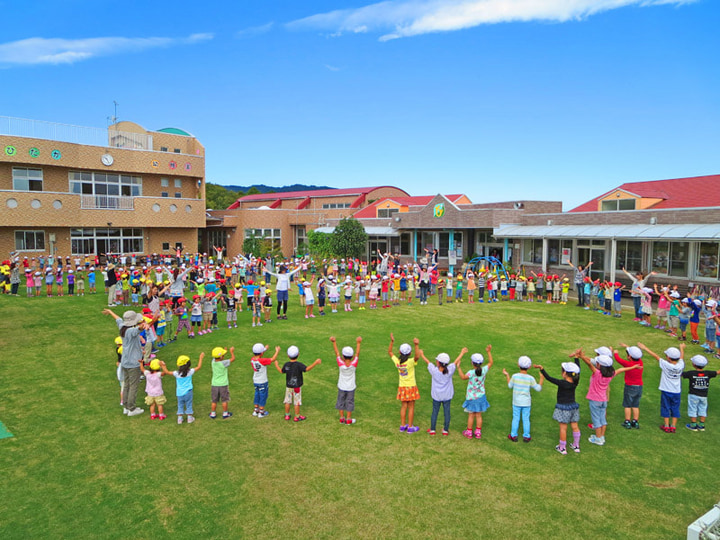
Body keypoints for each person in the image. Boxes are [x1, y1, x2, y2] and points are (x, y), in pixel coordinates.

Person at [578, 350, 640, 446]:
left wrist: (582, 356)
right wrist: (634, 367)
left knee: (596, 420)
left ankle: (598, 439)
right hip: (603, 400)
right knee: (603, 419)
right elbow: (621, 370)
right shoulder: (611, 374)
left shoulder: (597, 373)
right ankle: (602, 437)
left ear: (599, 365)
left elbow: (589, 364)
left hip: (595, 400)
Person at [103, 308, 148, 416]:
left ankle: (126, 407)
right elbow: (139, 328)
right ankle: (132, 409)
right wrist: (143, 326)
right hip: (134, 363)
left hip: (125, 362)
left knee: (127, 385)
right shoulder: (131, 331)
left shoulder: (122, 327)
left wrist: (110, 312)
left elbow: (118, 319)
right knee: (133, 386)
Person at [538, 356, 582, 455]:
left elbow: (549, 378)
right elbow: (578, 371)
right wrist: (576, 358)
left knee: (563, 428)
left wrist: (542, 369)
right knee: (575, 426)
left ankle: (562, 447)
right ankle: (576, 445)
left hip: (563, 408)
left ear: (565, 373)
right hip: (573, 407)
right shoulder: (576, 382)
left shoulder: (562, 383)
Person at [638, 342, 685, 433]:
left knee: (665, 406)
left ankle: (666, 425)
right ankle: (673, 426)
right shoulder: (680, 365)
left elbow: (656, 356)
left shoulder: (666, 364)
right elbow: (682, 358)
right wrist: (681, 348)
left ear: (668, 357)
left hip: (666, 390)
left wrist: (645, 348)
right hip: (676, 391)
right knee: (675, 407)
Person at [502, 356, 544, 442]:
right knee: (526, 419)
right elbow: (538, 388)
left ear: (518, 365)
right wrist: (541, 378)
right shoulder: (530, 378)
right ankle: (526, 436)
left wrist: (507, 375)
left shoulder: (515, 376)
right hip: (526, 403)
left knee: (516, 418)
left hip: (516, 402)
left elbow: (510, 386)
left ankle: (513, 435)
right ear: (529, 367)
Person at [275, 345, 321, 422]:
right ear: (298, 354)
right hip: (297, 387)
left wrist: (276, 364)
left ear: (288, 355)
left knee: (287, 400)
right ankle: (297, 416)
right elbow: (306, 369)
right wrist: (315, 363)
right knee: (297, 402)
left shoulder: (286, 365)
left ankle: (287, 415)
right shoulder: (299, 365)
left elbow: (281, 371)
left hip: (288, 386)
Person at [388, 333, 421, 433]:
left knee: (404, 406)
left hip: (402, 387)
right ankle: (410, 427)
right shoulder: (410, 362)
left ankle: (402, 426)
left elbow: (389, 352)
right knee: (411, 407)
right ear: (409, 353)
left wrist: (392, 341)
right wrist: (416, 345)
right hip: (411, 387)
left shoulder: (397, 361)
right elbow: (417, 357)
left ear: (399, 352)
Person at [458, 347, 492, 439]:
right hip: (481, 396)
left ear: (472, 363)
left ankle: (469, 432)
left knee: (471, 415)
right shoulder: (484, 370)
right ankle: (478, 432)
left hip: (471, 398)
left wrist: (459, 367)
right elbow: (490, 363)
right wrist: (488, 352)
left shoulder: (471, 372)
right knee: (479, 415)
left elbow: (463, 377)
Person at [162, 353, 203, 424]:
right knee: (189, 404)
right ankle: (189, 418)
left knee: (180, 405)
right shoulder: (190, 372)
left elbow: (167, 372)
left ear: (178, 365)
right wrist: (201, 358)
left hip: (179, 393)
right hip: (189, 392)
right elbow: (199, 367)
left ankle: (180, 419)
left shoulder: (176, 373)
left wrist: (163, 365)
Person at [330, 336, 362, 425]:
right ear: (351, 356)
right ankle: (348, 419)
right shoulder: (354, 363)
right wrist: (358, 343)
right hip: (351, 387)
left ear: (343, 356)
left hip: (341, 386)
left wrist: (334, 342)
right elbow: (357, 354)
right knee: (349, 401)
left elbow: (336, 353)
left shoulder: (340, 363)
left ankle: (341, 418)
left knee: (341, 400)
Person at [682, 354, 720, 432]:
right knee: (703, 409)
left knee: (693, 408)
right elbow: (717, 372)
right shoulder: (708, 373)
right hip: (704, 396)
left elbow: (681, 373)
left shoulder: (691, 373)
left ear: (694, 364)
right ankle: (701, 425)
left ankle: (693, 425)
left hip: (693, 395)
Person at [615, 344, 644, 429]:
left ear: (629, 356)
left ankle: (627, 421)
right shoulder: (640, 362)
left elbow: (618, 360)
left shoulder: (628, 364)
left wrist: (615, 353)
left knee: (627, 404)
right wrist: (626, 346)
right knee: (635, 405)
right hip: (639, 386)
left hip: (630, 386)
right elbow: (636, 354)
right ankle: (635, 421)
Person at [250, 343, 280, 417]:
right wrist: (277, 351)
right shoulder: (262, 360)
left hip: (255, 381)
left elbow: (259, 354)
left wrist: (265, 349)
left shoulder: (252, 359)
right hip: (262, 381)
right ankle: (261, 412)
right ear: (262, 353)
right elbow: (273, 359)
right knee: (263, 396)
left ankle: (256, 410)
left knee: (257, 394)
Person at [209, 346, 236, 419]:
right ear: (221, 357)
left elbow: (216, 356)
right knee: (224, 400)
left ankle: (213, 413)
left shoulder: (213, 362)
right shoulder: (224, 363)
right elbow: (233, 359)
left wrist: (223, 351)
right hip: (223, 384)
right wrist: (231, 352)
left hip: (214, 384)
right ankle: (225, 413)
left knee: (214, 401)